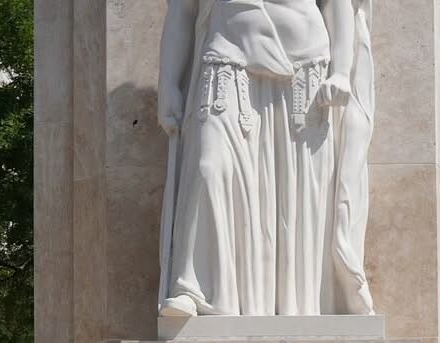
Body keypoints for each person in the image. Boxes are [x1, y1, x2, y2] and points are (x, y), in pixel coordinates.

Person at [158, 0, 375, 318]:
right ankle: (195, 288)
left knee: (294, 193)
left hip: (304, 70)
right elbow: (182, 9)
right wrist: (168, 83)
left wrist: (342, 71)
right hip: (226, 57)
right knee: (209, 165)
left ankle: (295, 305)